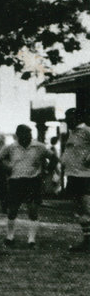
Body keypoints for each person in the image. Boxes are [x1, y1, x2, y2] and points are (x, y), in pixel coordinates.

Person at [0, 124, 57, 248]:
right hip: (16, 181)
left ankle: (31, 240)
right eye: (25, 134)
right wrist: (6, 167)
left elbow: (53, 157)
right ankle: (10, 237)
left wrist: (47, 172)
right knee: (12, 210)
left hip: (33, 181)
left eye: (30, 134)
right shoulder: (11, 147)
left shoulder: (39, 146)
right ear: (18, 135)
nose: (28, 137)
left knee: (33, 210)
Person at [61, 108, 90, 252]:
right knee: (79, 211)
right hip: (72, 175)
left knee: (87, 208)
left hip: (85, 176)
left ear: (78, 118)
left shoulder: (86, 131)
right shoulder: (72, 133)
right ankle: (87, 240)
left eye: (69, 118)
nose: (67, 121)